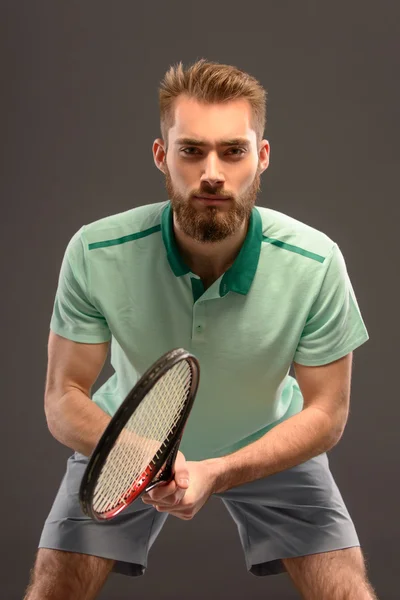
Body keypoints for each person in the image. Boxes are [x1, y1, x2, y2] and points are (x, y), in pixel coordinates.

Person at [24, 59, 378, 600]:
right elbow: (63, 396)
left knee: (346, 589)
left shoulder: (317, 261)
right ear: (163, 157)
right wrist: (144, 455)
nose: (212, 171)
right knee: (54, 586)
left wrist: (220, 470)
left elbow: (327, 413)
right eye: (191, 150)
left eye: (232, 151)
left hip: (270, 445)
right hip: (125, 443)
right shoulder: (94, 252)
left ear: (260, 158)